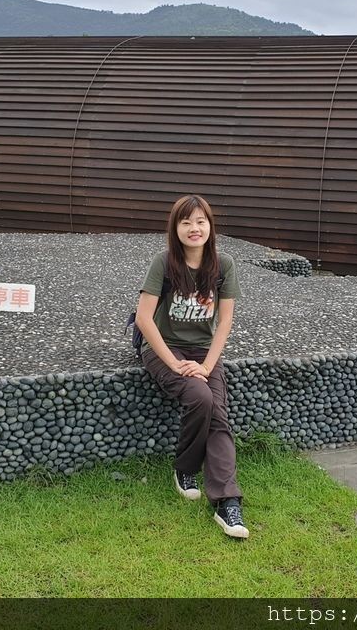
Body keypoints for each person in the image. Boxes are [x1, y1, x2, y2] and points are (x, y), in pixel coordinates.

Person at [135, 194, 248, 539]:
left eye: (200, 221)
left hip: (202, 351)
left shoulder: (223, 265)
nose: (194, 228)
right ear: (176, 228)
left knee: (218, 413)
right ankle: (185, 468)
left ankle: (227, 502)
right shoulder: (164, 262)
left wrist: (206, 365)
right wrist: (176, 363)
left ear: (210, 226)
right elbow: (144, 318)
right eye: (186, 222)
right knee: (200, 397)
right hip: (163, 349)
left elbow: (225, 322)